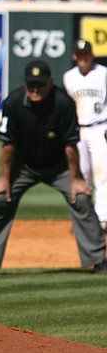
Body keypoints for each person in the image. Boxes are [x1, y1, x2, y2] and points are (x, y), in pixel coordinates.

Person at [0, 60, 107, 276]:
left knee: (80, 199)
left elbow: (71, 145)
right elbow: (8, 145)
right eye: (30, 85)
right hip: (24, 166)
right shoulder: (13, 103)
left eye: (40, 85)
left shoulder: (63, 103)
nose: (35, 90)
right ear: (25, 84)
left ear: (50, 83)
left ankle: (99, 260)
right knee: (0, 200)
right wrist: (5, 178)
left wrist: (77, 178)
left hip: (59, 165)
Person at [63, 39, 107, 231]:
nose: (83, 58)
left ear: (92, 55)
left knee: (103, 175)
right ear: (74, 56)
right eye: (79, 55)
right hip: (78, 130)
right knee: (81, 174)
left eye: (86, 55)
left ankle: (102, 218)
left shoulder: (103, 73)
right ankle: (82, 219)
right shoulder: (69, 77)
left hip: (100, 128)